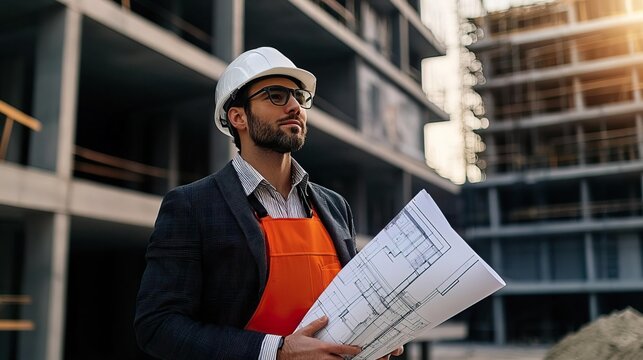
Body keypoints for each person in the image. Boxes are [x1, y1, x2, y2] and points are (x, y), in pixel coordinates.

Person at [135, 47, 403, 360]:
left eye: (299, 97)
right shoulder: (191, 206)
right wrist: (276, 351)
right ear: (238, 117)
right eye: (275, 95)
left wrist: (373, 335)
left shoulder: (335, 206)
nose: (294, 107)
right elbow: (158, 326)